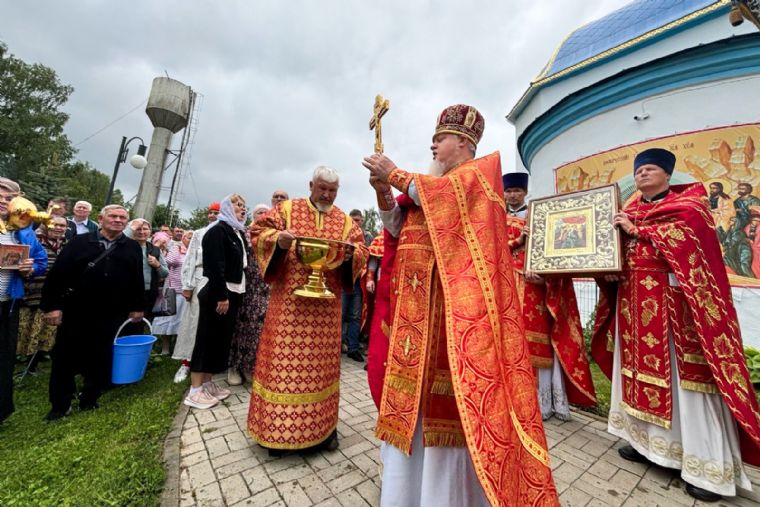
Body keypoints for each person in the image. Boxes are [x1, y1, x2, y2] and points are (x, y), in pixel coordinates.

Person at [362, 104, 557, 506]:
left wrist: (394, 172)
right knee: (409, 419)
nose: (433, 143)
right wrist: (384, 191)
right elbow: (397, 227)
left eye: (441, 137)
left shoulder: (478, 179)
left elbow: (444, 201)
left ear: (464, 142)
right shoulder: (430, 189)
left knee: (448, 421)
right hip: (414, 325)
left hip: (452, 329)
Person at [592, 147, 760, 502]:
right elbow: (615, 252)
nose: (642, 175)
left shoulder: (690, 208)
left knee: (688, 389)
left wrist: (639, 232)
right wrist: (609, 266)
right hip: (634, 312)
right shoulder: (629, 211)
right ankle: (645, 445)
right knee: (634, 377)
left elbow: (694, 247)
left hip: (676, 315)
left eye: (650, 169)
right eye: (639, 171)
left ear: (667, 174)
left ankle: (706, 470)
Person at [248, 166, 368, 455]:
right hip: (288, 308)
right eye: (322, 188)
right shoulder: (287, 210)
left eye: (332, 190)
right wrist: (279, 240)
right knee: (282, 368)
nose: (327, 194)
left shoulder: (344, 221)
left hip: (325, 311)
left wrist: (353, 254)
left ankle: (323, 431)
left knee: (322, 372)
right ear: (311, 185)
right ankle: (275, 434)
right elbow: (257, 231)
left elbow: (362, 248)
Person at [502, 172, 596, 421]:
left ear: (525, 192)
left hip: (535, 285)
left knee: (538, 340)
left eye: (517, 191)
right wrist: (517, 240)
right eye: (509, 191)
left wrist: (544, 276)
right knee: (509, 339)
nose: (512, 195)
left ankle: (543, 402)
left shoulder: (540, 216)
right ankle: (514, 398)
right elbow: (492, 247)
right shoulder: (497, 217)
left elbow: (555, 249)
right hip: (507, 283)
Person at [40, 204, 144, 420]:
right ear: (101, 219)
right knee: (65, 357)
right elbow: (58, 274)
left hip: (111, 312)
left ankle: (90, 397)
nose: (118, 220)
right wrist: (52, 306)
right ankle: (60, 404)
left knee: (101, 355)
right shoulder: (80, 242)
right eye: (113, 216)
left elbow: (137, 279)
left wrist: (137, 307)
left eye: (122, 217)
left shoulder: (131, 247)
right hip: (76, 310)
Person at [184, 194, 248, 410]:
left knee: (219, 341)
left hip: (233, 292)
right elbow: (214, 266)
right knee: (206, 339)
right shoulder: (217, 231)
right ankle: (194, 391)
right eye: (237, 205)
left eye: (244, 206)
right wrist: (222, 296)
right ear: (226, 208)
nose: (242, 209)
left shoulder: (235, 232)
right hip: (218, 293)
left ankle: (208, 384)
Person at [0, 178, 48, 423]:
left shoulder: (22, 231)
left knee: (3, 357)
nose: (3, 201)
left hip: (7, 301)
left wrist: (30, 269)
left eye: (8, 198)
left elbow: (40, 261)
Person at [172, 202, 219, 383]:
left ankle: (210, 366)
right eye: (211, 212)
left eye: (218, 212)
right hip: (200, 280)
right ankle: (186, 363)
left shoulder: (231, 233)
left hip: (222, 284)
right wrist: (187, 285)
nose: (214, 215)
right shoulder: (199, 234)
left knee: (214, 326)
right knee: (193, 324)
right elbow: (190, 259)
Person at [17, 216, 68, 374]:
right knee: (24, 330)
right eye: (55, 224)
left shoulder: (67, 245)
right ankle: (16, 362)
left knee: (44, 332)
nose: (58, 228)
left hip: (53, 298)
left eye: (62, 225)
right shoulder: (33, 241)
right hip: (31, 293)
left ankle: (33, 365)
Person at [227, 204, 270, 386]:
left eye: (266, 213)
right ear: (253, 215)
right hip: (245, 287)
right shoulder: (244, 232)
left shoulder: (272, 236)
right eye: (259, 212)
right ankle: (234, 367)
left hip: (266, 289)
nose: (263, 215)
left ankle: (251, 367)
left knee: (259, 330)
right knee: (240, 327)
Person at [152, 230, 192, 355]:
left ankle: (178, 347)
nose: (190, 240)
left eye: (193, 238)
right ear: (183, 238)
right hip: (173, 290)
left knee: (181, 321)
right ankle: (165, 348)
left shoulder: (196, 251)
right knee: (168, 319)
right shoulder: (176, 249)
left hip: (187, 291)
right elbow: (169, 262)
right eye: (188, 237)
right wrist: (178, 248)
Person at [341, 209, 372, 362]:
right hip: (344, 280)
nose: (356, 222)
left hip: (359, 282)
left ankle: (353, 348)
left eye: (358, 220)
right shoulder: (342, 235)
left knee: (355, 316)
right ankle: (336, 346)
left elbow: (370, 256)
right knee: (340, 314)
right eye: (353, 219)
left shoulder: (367, 237)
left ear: (362, 221)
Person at [125, 219, 168, 328]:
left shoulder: (154, 249)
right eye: (138, 229)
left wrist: (157, 265)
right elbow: (119, 239)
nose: (142, 232)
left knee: (140, 325)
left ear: (150, 231)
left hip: (148, 293)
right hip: (126, 292)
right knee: (123, 325)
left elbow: (165, 273)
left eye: (145, 229)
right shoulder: (124, 246)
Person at [746, 209, 760, 278]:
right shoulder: (747, 227)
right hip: (748, 246)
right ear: (751, 220)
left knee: (755, 258)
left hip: (757, 248)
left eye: (758, 221)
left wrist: (753, 244)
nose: (756, 222)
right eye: (755, 220)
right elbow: (744, 237)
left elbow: (757, 241)